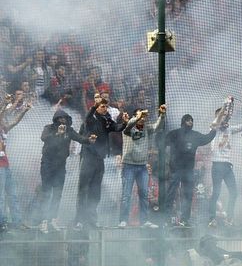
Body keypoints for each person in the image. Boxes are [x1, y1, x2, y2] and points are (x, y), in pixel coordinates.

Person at [74, 95, 127, 229]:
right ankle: (79, 220)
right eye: (102, 106)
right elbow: (87, 119)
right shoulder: (91, 119)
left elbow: (117, 128)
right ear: (97, 108)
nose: (105, 108)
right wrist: (93, 106)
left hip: (100, 159)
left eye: (106, 106)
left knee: (95, 191)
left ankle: (92, 219)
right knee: (83, 189)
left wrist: (125, 123)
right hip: (88, 158)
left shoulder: (106, 120)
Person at [39, 109, 96, 233]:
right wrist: (57, 134)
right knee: (46, 193)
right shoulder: (48, 128)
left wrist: (89, 140)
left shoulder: (69, 130)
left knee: (57, 194)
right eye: (60, 119)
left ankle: (53, 219)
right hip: (47, 165)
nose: (62, 121)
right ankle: (43, 221)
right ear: (55, 120)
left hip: (60, 166)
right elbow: (43, 138)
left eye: (64, 119)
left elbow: (80, 138)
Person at [118, 105, 166, 229]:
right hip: (129, 165)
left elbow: (157, 127)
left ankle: (144, 221)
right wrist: (138, 116)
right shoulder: (127, 128)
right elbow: (128, 125)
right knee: (126, 194)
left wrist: (162, 115)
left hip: (142, 166)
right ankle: (123, 220)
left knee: (144, 194)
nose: (143, 118)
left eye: (144, 116)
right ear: (135, 117)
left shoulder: (146, 129)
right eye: (140, 116)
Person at [166, 114, 216, 226]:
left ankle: (185, 219)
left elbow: (207, 138)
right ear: (183, 121)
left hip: (188, 170)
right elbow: (163, 142)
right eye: (189, 120)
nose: (191, 122)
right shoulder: (175, 133)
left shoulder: (195, 135)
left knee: (188, 194)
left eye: (192, 120)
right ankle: (167, 217)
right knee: (171, 193)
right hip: (175, 169)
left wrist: (214, 129)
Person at [209, 101, 242, 227]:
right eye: (220, 116)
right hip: (217, 165)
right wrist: (224, 106)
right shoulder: (213, 127)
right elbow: (217, 121)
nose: (223, 118)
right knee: (216, 192)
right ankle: (211, 218)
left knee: (234, 192)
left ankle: (229, 218)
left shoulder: (230, 129)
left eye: (224, 116)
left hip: (228, 166)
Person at [0, 97, 32, 232]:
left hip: (6, 166)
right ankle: (1, 223)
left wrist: (24, 110)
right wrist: (6, 104)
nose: (5, 120)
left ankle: (17, 221)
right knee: (1, 196)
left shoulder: (3, 129)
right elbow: (2, 114)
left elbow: (15, 121)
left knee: (12, 194)